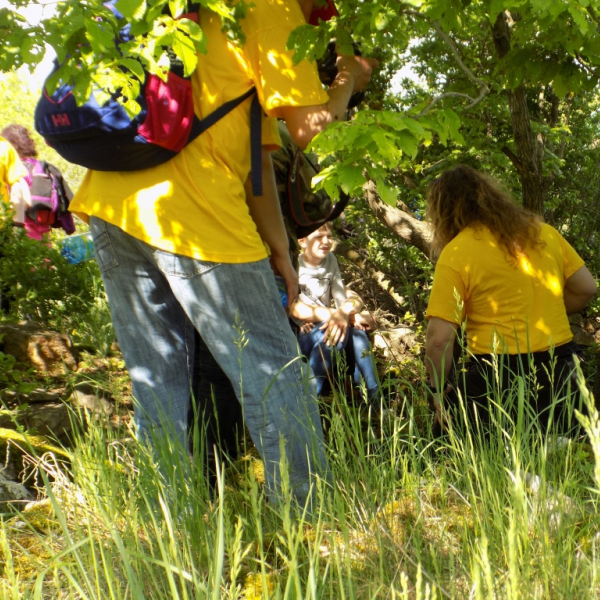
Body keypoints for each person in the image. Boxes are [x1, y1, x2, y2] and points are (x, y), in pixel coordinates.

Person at [68, 0, 377, 507]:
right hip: (198, 214)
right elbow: (313, 128)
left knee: (158, 383)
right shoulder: (271, 7)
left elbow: (254, 157)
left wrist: (279, 251)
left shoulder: (189, 12)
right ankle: (312, 521)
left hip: (113, 205)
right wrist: (347, 80)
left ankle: (171, 527)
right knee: (276, 373)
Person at [423, 165, 597, 437]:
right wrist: (542, 308)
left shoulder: (457, 251)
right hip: (561, 369)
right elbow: (586, 288)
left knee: (448, 449)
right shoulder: (544, 234)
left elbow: (438, 340)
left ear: (443, 211)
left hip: (496, 379)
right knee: (568, 464)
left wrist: (436, 391)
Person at [290, 222, 381, 404]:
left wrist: (346, 314)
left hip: (325, 323)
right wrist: (340, 316)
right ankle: (306, 401)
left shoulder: (330, 260)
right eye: (318, 237)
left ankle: (373, 400)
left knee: (357, 332)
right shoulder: (294, 264)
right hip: (303, 333)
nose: (326, 241)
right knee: (335, 334)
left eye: (329, 236)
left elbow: (340, 294)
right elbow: (291, 306)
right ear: (301, 241)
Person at [0, 98, 31, 312]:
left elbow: (19, 185)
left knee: (7, 283)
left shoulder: (1, 146)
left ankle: (7, 332)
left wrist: (18, 225)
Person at [0, 124, 74, 242]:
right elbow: (72, 200)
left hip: (23, 233)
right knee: (46, 259)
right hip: (45, 233)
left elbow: (22, 201)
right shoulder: (45, 167)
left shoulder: (16, 169)